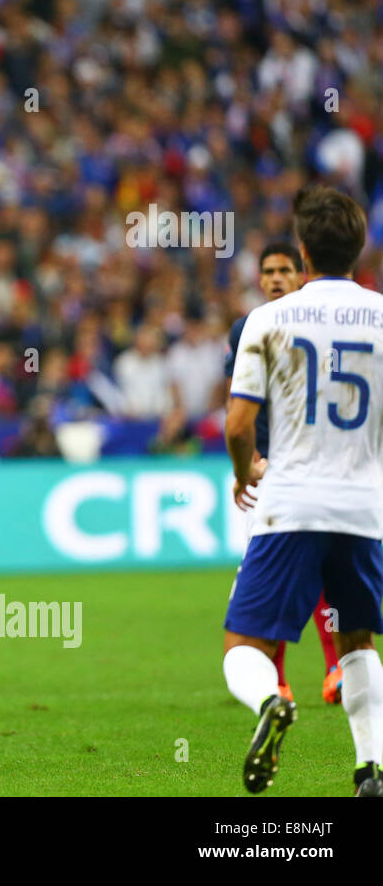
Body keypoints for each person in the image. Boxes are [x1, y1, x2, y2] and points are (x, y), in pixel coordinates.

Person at [224, 185, 383, 796]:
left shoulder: (266, 321)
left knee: (244, 646)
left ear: (303, 253)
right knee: (356, 641)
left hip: (291, 503)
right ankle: (369, 768)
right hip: (361, 507)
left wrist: (244, 475)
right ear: (359, 248)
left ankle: (270, 702)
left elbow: (240, 425)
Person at [224, 243, 342, 705]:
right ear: (259, 278)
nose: (276, 278)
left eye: (285, 270)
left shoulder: (325, 326)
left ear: (303, 274)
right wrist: (251, 458)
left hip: (321, 465)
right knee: (275, 575)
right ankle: (278, 679)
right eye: (269, 271)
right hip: (270, 469)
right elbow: (238, 404)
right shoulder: (247, 328)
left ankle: (335, 668)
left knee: (324, 573)